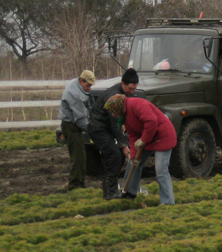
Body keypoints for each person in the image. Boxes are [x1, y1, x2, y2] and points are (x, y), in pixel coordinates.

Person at [103, 94, 176, 204]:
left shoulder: (137, 104)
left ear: (118, 107)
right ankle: (130, 193)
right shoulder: (125, 116)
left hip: (163, 136)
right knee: (134, 164)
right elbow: (132, 136)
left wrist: (143, 140)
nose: (113, 114)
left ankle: (168, 202)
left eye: (113, 111)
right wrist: (133, 156)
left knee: (161, 171)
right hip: (148, 138)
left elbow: (152, 122)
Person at [87, 68, 141, 200]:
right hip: (98, 128)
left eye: (134, 89)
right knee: (114, 156)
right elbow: (115, 123)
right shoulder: (115, 96)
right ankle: (111, 192)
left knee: (113, 158)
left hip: (106, 128)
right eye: (129, 88)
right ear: (122, 84)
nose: (132, 92)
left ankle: (108, 191)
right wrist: (124, 145)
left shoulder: (124, 94)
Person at [58, 70, 96, 191]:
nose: (89, 88)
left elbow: (89, 106)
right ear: (81, 81)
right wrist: (94, 131)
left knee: (81, 156)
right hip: (71, 126)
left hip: (74, 124)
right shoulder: (74, 94)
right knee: (78, 157)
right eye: (88, 85)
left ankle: (80, 183)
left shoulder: (77, 86)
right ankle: (74, 186)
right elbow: (80, 119)